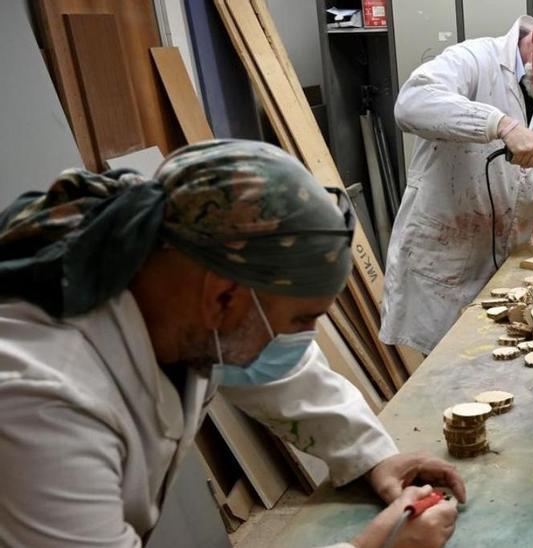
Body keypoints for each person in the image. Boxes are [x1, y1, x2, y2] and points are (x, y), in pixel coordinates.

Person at [0, 141, 465, 548]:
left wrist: (376, 458)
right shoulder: (43, 402)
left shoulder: (177, 304)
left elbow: (284, 373)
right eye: (299, 321)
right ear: (222, 296)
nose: (299, 342)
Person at [382, 4, 533, 354]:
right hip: (447, 256)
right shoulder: (473, 60)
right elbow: (411, 103)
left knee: (497, 367)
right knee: (444, 376)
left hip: (509, 260)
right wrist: (500, 125)